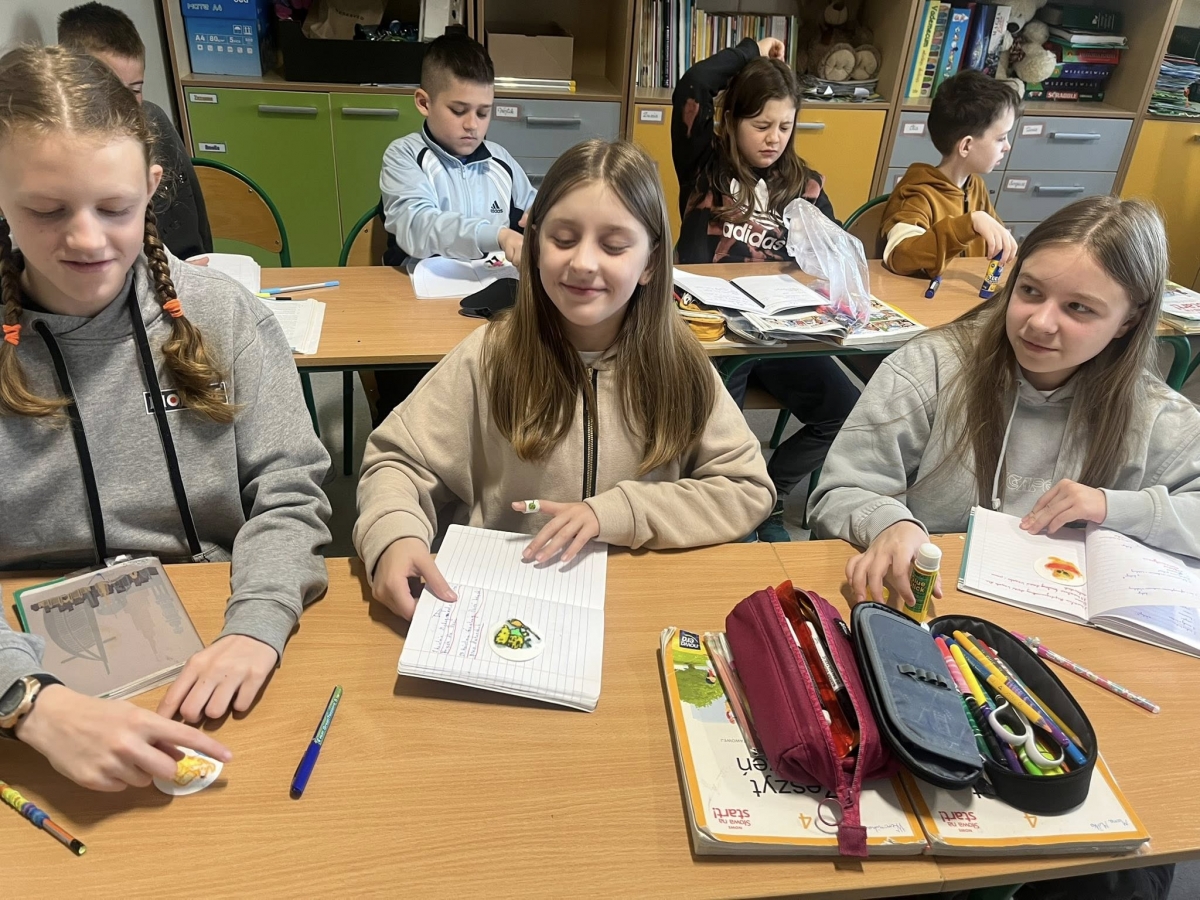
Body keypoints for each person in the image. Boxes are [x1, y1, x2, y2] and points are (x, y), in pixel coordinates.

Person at [0, 47, 332, 792]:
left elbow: (290, 490)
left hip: (214, 625)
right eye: (47, 210)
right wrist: (26, 700)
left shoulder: (224, 316)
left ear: (152, 188)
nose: (88, 239)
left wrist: (258, 622)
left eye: (115, 208)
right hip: (30, 663)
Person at [355, 139, 775, 619]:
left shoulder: (680, 364)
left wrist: (617, 512)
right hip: (503, 600)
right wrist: (395, 534)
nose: (583, 263)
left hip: (638, 603)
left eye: (613, 246)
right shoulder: (490, 355)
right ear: (535, 246)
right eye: (563, 239)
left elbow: (746, 488)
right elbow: (396, 462)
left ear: (650, 262)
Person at [809, 195, 1200, 616]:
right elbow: (842, 489)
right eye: (1030, 291)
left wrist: (1113, 507)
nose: (1040, 323)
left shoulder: (1156, 413)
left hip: (1064, 623)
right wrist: (891, 523)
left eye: (1078, 308)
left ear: (1129, 321)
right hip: (932, 606)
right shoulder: (932, 366)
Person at [671, 36, 859, 542]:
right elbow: (693, 86)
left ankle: (768, 497)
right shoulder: (704, 166)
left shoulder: (804, 185)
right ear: (732, 119)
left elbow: (833, 256)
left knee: (846, 410)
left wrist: (823, 252)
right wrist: (751, 51)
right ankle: (730, 512)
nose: (774, 139)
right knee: (722, 433)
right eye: (760, 125)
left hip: (778, 335)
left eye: (784, 126)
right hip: (714, 335)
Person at [375, 32, 538, 423]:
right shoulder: (404, 156)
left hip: (489, 306)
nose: (472, 125)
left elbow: (533, 208)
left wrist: (549, 218)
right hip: (419, 307)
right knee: (417, 411)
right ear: (424, 102)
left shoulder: (500, 159)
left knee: (510, 391)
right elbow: (418, 226)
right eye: (459, 110)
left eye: (483, 112)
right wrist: (496, 234)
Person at [58, 1, 213, 262]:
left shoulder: (154, 122)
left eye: (135, 90)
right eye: (110, 89)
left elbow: (194, 228)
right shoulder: (55, 152)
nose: (126, 105)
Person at [881, 69, 1019, 277]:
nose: (1007, 147)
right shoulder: (917, 194)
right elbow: (900, 256)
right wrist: (969, 224)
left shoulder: (974, 186)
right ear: (966, 146)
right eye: (1001, 138)